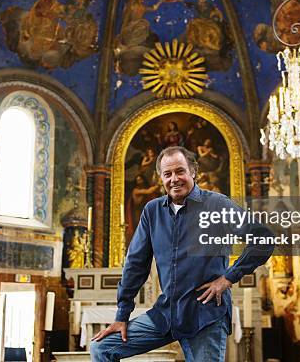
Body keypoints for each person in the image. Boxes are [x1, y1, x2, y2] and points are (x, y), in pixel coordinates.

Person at [90, 146, 274, 361]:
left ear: (193, 172)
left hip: (204, 315)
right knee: (102, 348)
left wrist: (228, 278)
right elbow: (135, 264)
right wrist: (122, 316)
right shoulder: (152, 210)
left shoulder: (217, 204)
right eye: (167, 174)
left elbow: (265, 238)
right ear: (161, 178)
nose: (174, 179)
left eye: (180, 171)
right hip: (166, 313)